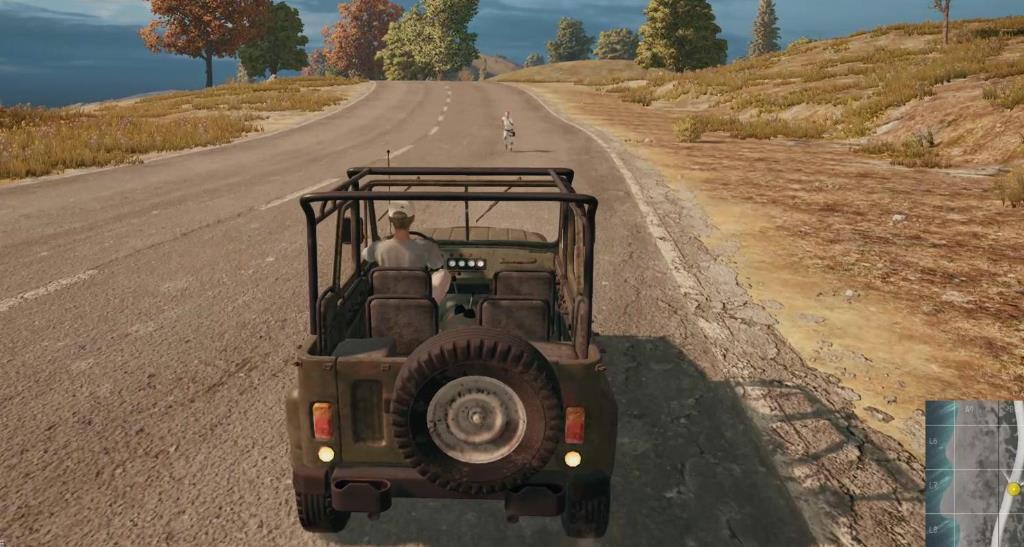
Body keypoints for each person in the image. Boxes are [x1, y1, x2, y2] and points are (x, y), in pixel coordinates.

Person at [362, 201, 451, 304]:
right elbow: (437, 264)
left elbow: (365, 254)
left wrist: (381, 243)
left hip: (387, 302)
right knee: (443, 273)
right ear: (412, 218)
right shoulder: (426, 246)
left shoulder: (378, 247)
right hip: (419, 303)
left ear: (390, 219)